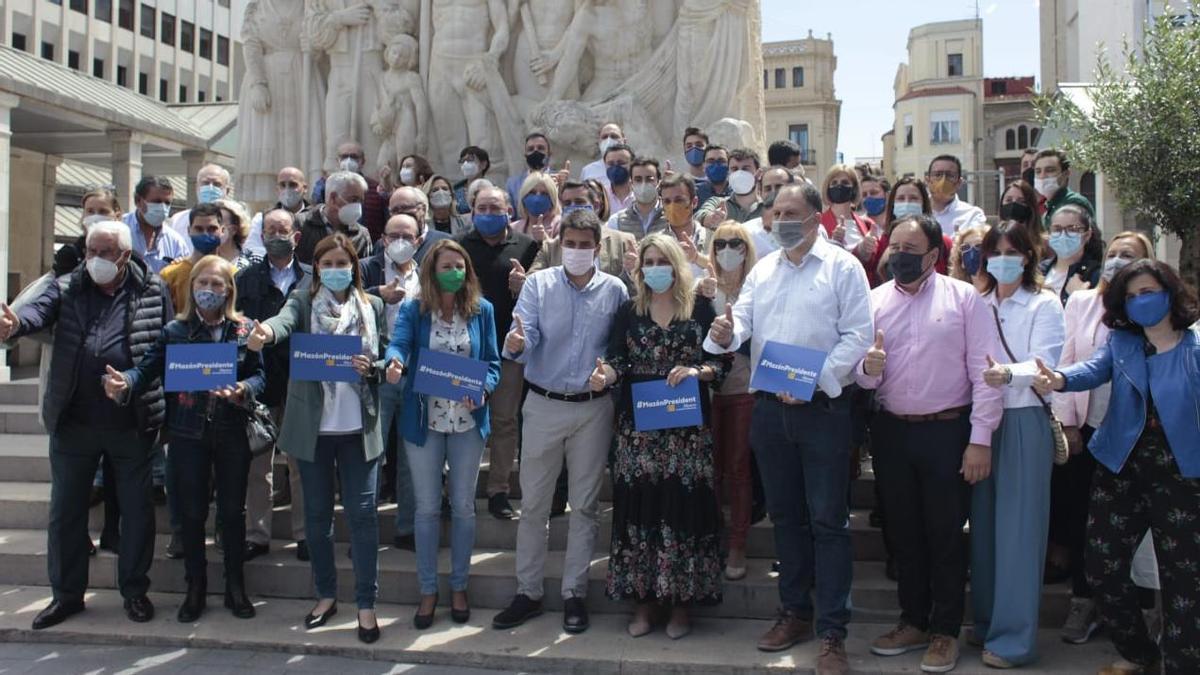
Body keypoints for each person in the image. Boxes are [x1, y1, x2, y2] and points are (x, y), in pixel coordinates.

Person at [704, 183, 873, 673]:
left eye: (792, 212)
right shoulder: (763, 270)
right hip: (769, 413)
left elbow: (858, 335)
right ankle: (794, 611)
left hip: (821, 411)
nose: (782, 220)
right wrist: (725, 334)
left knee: (828, 521)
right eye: (776, 213)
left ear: (817, 219)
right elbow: (743, 327)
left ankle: (833, 633)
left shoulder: (843, 267)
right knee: (786, 518)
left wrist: (815, 381)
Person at [0, 221, 172, 629]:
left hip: (132, 420)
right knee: (66, 513)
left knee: (136, 511)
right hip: (74, 421)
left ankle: (134, 591)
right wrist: (14, 326)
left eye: (106, 252)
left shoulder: (152, 288)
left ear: (126, 256)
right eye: (91, 250)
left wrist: (133, 383)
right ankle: (66, 596)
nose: (96, 260)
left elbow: (165, 346)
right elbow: (36, 312)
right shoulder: (66, 286)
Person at [1034, 259, 1200, 675]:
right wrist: (1058, 378)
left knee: (1184, 580)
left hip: (1182, 472)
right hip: (1120, 467)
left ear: (1170, 292)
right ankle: (1141, 652)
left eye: (1148, 292)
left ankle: (1181, 663)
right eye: (1130, 296)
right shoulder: (1123, 342)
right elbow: (1094, 369)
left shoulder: (1194, 345)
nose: (1140, 302)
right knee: (1101, 567)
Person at [856, 215, 1003, 674]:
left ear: (934, 255)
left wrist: (980, 440)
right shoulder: (874, 301)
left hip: (947, 431)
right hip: (892, 432)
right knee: (903, 533)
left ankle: (945, 630)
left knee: (944, 533)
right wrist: (870, 367)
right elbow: (860, 376)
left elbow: (986, 373)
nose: (899, 254)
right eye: (893, 245)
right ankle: (913, 620)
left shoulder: (964, 299)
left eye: (910, 247)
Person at [104, 255, 264, 623]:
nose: (209, 290)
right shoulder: (174, 332)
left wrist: (244, 389)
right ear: (192, 288)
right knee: (191, 514)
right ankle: (195, 587)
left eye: (217, 284)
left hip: (231, 432)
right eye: (202, 283)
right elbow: (146, 370)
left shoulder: (243, 330)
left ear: (229, 290)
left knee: (232, 513)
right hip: (187, 433)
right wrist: (124, 382)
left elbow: (260, 376)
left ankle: (235, 587)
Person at [247, 233, 389, 645]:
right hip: (314, 431)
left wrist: (373, 367)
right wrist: (266, 334)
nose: (334, 270)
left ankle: (366, 603)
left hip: (359, 430)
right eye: (326, 263)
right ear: (317, 267)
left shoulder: (373, 305)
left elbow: (384, 356)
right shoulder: (302, 301)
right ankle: (326, 595)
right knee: (317, 520)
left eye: (342, 263)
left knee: (362, 518)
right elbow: (283, 322)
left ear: (354, 267)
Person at [492, 208, 629, 634]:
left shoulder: (616, 290)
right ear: (558, 244)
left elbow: (622, 347)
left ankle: (575, 593)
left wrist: (612, 370)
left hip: (593, 408)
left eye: (585, 245)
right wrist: (515, 342)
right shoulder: (538, 283)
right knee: (533, 504)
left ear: (598, 247)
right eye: (569, 243)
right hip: (543, 404)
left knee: (585, 506)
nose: (576, 251)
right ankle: (528, 591)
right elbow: (524, 334)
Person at [596, 233, 727, 639]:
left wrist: (696, 371)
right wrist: (607, 375)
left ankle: (681, 607)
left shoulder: (700, 308)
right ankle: (643, 603)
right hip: (639, 428)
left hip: (686, 432)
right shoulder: (628, 311)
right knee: (641, 509)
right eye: (648, 261)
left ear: (676, 264)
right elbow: (617, 358)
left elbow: (720, 362)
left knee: (683, 509)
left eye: (663, 260)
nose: (655, 267)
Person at [384, 239, 501, 629]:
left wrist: (482, 388)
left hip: (468, 423)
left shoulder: (483, 310)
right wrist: (394, 362)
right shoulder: (415, 310)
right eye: (446, 266)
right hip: (426, 421)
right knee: (428, 508)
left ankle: (460, 585)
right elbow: (398, 345)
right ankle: (428, 588)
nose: (454, 272)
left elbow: (494, 365)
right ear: (431, 272)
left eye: (460, 266)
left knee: (465, 507)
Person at [1048, 231, 1156, 645]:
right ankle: (1084, 600)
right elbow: (1071, 361)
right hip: (1090, 431)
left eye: (1127, 255)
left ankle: (1145, 611)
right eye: (1112, 254)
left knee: (1142, 530)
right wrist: (1068, 423)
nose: (1116, 261)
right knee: (1083, 520)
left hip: (1144, 437)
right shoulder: (1081, 302)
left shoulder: (1152, 311)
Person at [970, 222, 1065, 668]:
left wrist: (1008, 374)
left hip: (1023, 418)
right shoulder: (976, 300)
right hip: (979, 423)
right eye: (994, 250)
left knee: (1019, 533)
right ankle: (986, 622)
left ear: (1028, 256)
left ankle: (1014, 640)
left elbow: (1047, 363)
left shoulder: (1044, 303)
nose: (1002, 258)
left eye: (1012, 250)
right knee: (985, 529)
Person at [456, 186, 540, 520]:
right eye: (482, 208)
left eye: (496, 208)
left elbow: (535, 299)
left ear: (509, 210)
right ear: (472, 211)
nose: (489, 214)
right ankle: (459, 490)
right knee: (463, 417)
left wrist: (524, 287)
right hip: (465, 348)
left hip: (508, 348)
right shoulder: (459, 245)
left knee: (505, 421)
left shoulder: (527, 246)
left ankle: (499, 490)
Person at [236, 208, 311, 562]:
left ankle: (305, 534)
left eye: (282, 229)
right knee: (257, 465)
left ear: (296, 235)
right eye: (269, 229)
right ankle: (256, 535)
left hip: (302, 381)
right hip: (261, 380)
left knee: (300, 465)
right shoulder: (245, 279)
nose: (275, 235)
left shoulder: (313, 278)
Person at [361, 213, 424, 548]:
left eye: (408, 235)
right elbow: (343, 302)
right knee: (372, 454)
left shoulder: (428, 273)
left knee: (412, 455)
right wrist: (376, 295)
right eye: (393, 234)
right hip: (376, 375)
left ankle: (407, 528)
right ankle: (364, 530)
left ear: (418, 240)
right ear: (383, 239)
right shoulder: (366, 268)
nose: (400, 240)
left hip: (415, 374)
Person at [704, 222, 757, 581]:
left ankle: (737, 542)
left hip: (745, 387)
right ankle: (712, 538)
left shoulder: (759, 284)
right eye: (720, 242)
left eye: (735, 242)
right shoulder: (701, 286)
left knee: (738, 468)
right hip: (707, 390)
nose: (727, 248)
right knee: (711, 468)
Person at [532, 180, 638, 291]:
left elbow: (639, 289)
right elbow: (532, 282)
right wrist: (518, 281)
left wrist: (633, 272)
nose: (573, 207)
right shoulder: (550, 247)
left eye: (579, 202)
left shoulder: (623, 242)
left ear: (596, 206)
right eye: (567, 203)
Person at [313, 142, 390, 241]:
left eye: (354, 157)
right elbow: (317, 204)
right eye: (344, 156)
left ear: (362, 161)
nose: (349, 161)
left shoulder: (375, 188)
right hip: (331, 242)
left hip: (364, 243)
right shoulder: (326, 185)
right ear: (338, 160)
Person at [160, 203, 227, 315]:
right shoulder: (170, 275)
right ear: (189, 231)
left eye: (212, 229)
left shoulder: (232, 274)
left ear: (222, 231)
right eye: (199, 229)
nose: (205, 234)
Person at [297, 171, 374, 264]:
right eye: (354, 200)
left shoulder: (361, 235)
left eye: (360, 201)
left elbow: (364, 273)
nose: (358, 206)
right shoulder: (301, 224)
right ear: (333, 198)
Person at [123, 175, 190, 274]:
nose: (162, 208)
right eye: (157, 202)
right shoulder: (119, 228)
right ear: (138, 200)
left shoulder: (175, 242)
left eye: (167, 203)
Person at [1042, 205, 1103, 306]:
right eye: (1057, 229)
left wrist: (1079, 297)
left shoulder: (1095, 275)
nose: (1063, 235)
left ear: (1087, 235)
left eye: (1072, 229)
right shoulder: (1039, 271)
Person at [244, 167, 312, 257]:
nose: (287, 189)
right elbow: (252, 249)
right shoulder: (261, 219)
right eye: (282, 185)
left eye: (293, 185)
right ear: (277, 189)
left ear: (305, 188)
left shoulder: (315, 217)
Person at [168, 163, 233, 254]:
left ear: (227, 191)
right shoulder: (178, 219)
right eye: (206, 183)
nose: (210, 187)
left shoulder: (234, 221)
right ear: (197, 187)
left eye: (217, 184)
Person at [819, 164, 877, 266]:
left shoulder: (866, 224)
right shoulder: (818, 224)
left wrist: (866, 251)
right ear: (827, 189)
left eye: (845, 182)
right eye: (834, 183)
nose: (839, 186)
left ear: (854, 188)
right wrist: (834, 243)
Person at [659, 173, 710, 276]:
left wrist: (697, 257)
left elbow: (725, 271)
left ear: (694, 202)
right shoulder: (656, 242)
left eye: (679, 200)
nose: (672, 206)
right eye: (667, 201)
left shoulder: (714, 238)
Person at [697, 148, 764, 227]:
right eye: (734, 169)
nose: (739, 174)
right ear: (729, 173)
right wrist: (711, 218)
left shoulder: (769, 208)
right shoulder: (718, 203)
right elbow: (699, 216)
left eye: (745, 169)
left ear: (759, 174)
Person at [607, 157, 668, 241]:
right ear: (631, 183)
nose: (643, 184)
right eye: (638, 180)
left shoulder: (671, 217)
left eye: (649, 179)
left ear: (658, 182)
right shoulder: (616, 221)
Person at [742, 167, 798, 257]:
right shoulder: (746, 232)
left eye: (779, 187)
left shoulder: (809, 228)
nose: (773, 192)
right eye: (768, 189)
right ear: (760, 193)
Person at [386, 186, 451, 263]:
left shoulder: (444, 243)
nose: (401, 214)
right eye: (395, 210)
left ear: (423, 209)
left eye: (406, 208)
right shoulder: (384, 245)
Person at [1033, 148, 1094, 229]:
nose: (1042, 176)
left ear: (1065, 174)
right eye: (1038, 171)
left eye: (1050, 170)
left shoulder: (1074, 203)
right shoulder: (1048, 208)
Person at [925, 155, 986, 236]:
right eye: (937, 175)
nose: (943, 180)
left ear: (959, 183)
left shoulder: (972, 215)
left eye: (950, 176)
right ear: (928, 181)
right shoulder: (917, 212)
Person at [506, 133, 556, 207]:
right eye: (530, 149)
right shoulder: (512, 184)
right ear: (525, 155)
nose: (535, 151)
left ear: (549, 153)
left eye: (540, 148)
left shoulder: (559, 180)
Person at [512, 171, 561, 242]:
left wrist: (545, 239)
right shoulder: (513, 228)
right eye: (532, 192)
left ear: (552, 199)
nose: (537, 199)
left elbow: (559, 251)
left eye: (544, 193)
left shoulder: (560, 226)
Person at [948, 225, 991, 293]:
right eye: (965, 247)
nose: (972, 253)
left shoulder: (1001, 294)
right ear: (961, 260)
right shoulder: (955, 294)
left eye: (979, 246)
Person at [453, 146, 492, 215]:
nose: (465, 164)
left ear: (483, 164)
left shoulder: (493, 191)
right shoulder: (455, 191)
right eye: (462, 161)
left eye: (470, 160)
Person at [602, 142, 637, 216]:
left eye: (621, 163)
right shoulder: (599, 196)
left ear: (633, 165)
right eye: (611, 164)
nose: (615, 167)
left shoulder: (642, 194)